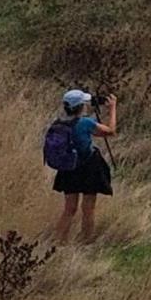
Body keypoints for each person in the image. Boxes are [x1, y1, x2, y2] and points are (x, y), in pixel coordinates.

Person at [44, 88, 117, 247]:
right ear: (82, 106)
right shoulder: (85, 123)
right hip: (89, 167)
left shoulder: (58, 123)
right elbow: (110, 131)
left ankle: (58, 243)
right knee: (88, 208)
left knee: (69, 209)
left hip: (68, 169)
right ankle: (86, 243)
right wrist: (112, 108)